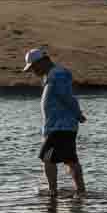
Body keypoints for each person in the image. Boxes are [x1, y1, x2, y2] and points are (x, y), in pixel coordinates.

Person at [21, 47, 87, 199]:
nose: (33, 71)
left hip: (60, 126)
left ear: (43, 61)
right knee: (70, 160)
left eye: (34, 67)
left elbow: (67, 97)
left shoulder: (57, 75)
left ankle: (53, 192)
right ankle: (80, 191)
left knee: (46, 157)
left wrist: (78, 114)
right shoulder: (52, 75)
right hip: (60, 126)